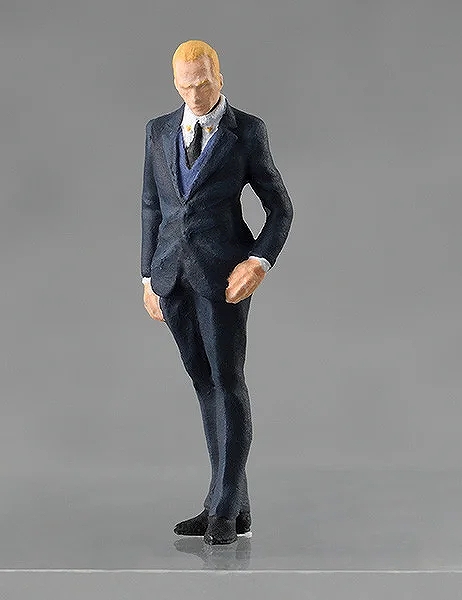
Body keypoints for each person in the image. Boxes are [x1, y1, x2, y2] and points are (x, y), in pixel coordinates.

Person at [141, 40, 293, 545]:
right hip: (172, 276)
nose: (196, 93)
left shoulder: (246, 131)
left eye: (204, 83)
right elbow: (151, 206)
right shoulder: (158, 131)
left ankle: (224, 507)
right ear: (175, 84)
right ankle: (227, 501)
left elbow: (280, 206)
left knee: (227, 382)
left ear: (220, 78)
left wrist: (259, 261)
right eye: (186, 85)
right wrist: (147, 277)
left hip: (223, 277)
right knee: (202, 383)